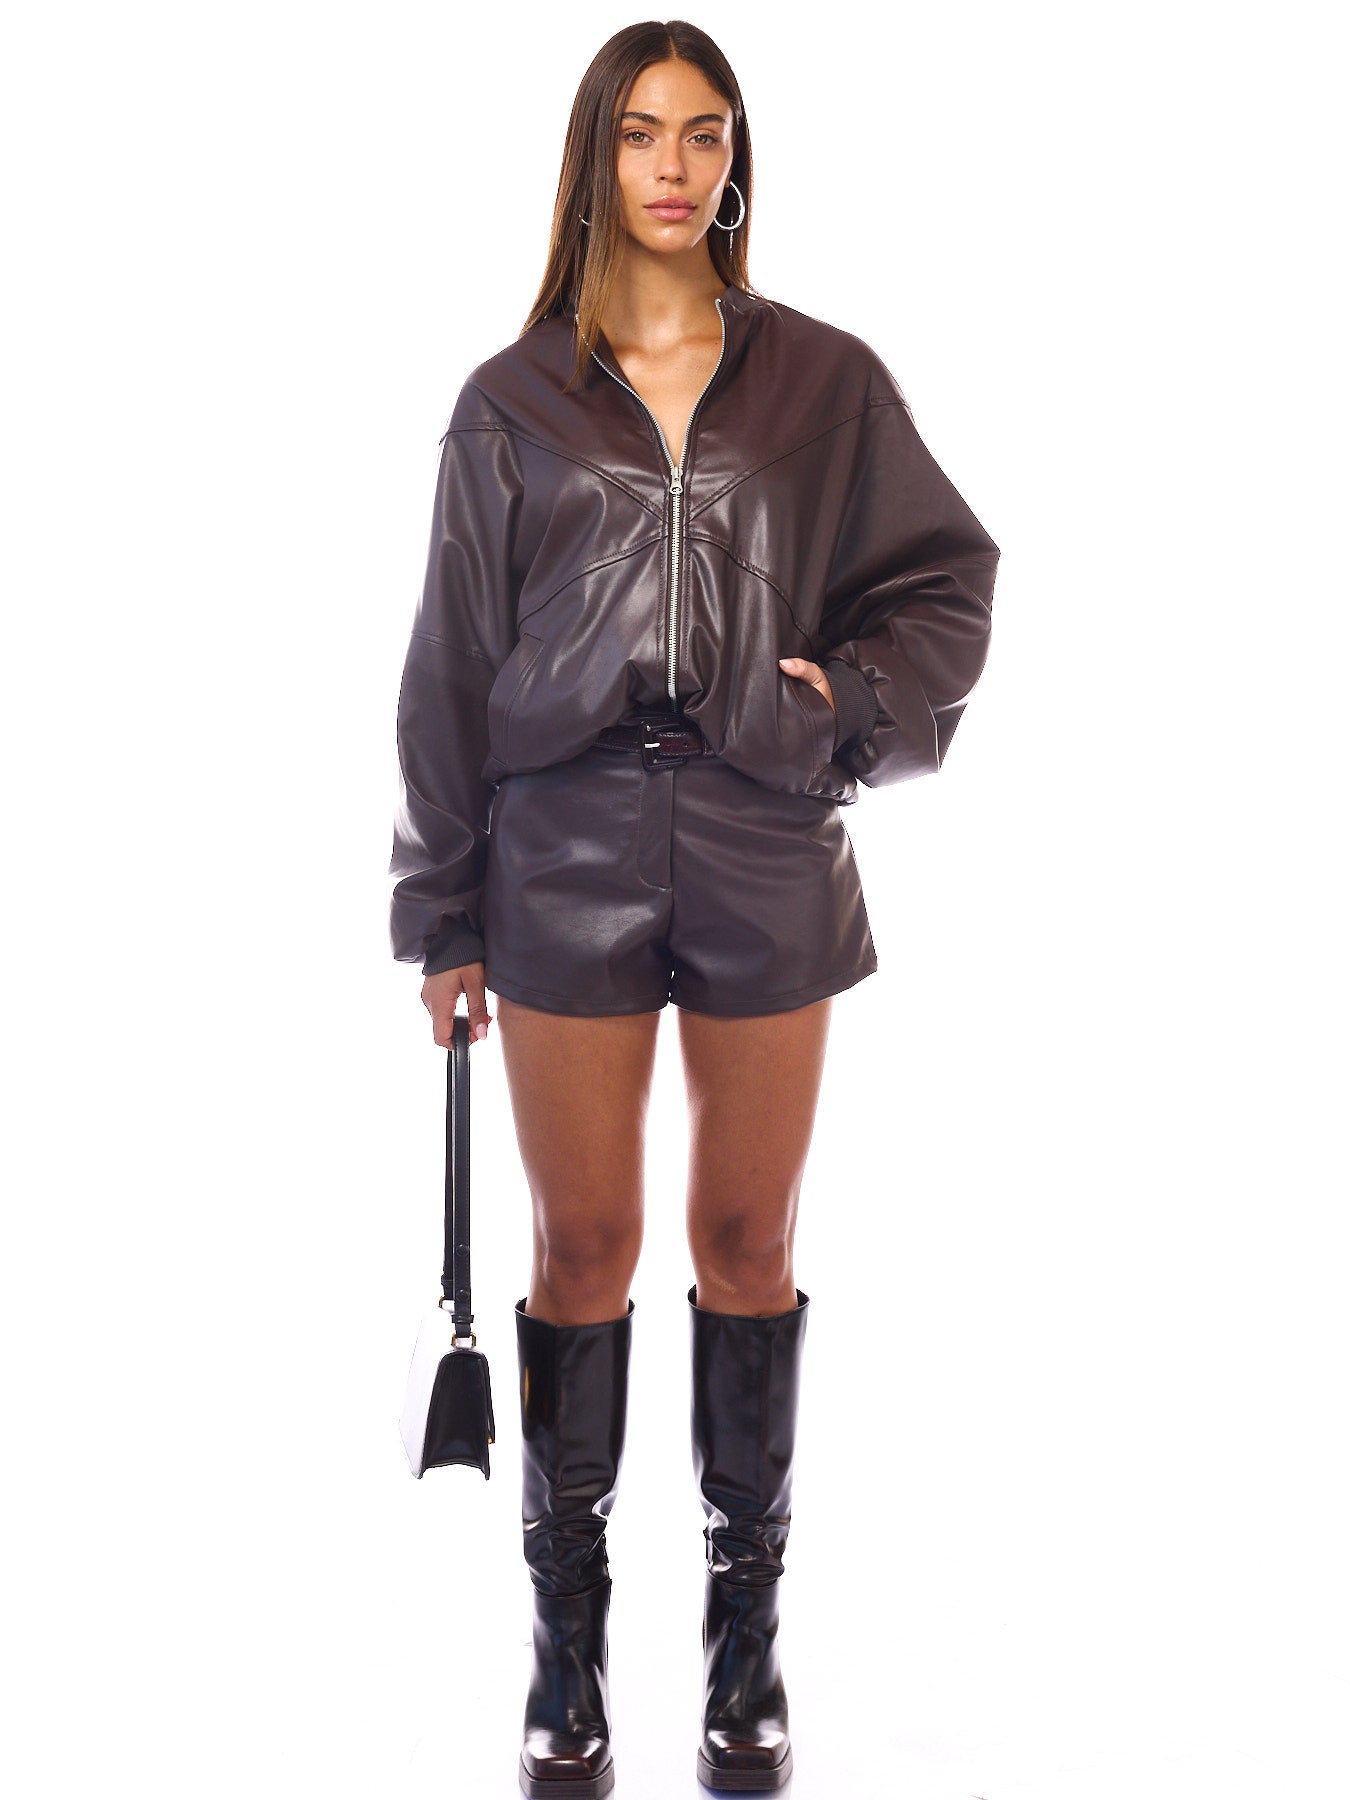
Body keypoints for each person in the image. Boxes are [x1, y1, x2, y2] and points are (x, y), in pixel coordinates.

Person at [388, 22, 1000, 1797]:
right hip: (558, 849)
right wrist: (442, 913)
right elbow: (449, 665)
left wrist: (841, 711)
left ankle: (745, 1642)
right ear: (595, 156)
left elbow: (945, 584)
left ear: (737, 162)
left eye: (706, 135)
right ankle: (564, 1650)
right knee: (582, 1250)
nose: (676, 167)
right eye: (644, 134)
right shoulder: (509, 401)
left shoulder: (825, 382)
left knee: (746, 1240)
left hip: (762, 840)